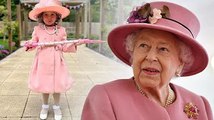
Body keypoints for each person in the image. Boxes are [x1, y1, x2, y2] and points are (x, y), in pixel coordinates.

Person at [81, 1, 213, 120]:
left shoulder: (200, 105)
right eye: (143, 46)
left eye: (163, 49)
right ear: (133, 53)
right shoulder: (105, 97)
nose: (150, 57)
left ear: (180, 64)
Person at [25, 0, 82, 119]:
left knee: (57, 84)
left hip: (57, 61)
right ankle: (45, 106)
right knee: (44, 84)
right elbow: (33, 43)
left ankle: (56, 106)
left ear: (57, 16)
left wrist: (74, 44)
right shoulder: (38, 30)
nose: (49, 17)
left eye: (52, 14)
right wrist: (30, 44)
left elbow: (64, 46)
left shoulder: (61, 30)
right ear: (41, 16)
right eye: (46, 14)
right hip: (42, 61)